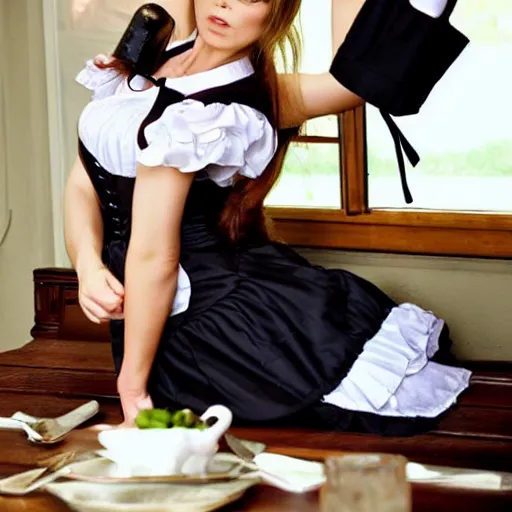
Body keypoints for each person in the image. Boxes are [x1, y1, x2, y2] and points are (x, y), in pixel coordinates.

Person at [64, 0, 471, 435]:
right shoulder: (154, 58)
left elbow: (154, 257)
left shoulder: (234, 104)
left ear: (279, 14)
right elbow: (81, 184)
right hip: (151, 322)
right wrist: (87, 265)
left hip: (215, 329)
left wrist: (132, 389)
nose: (224, 4)